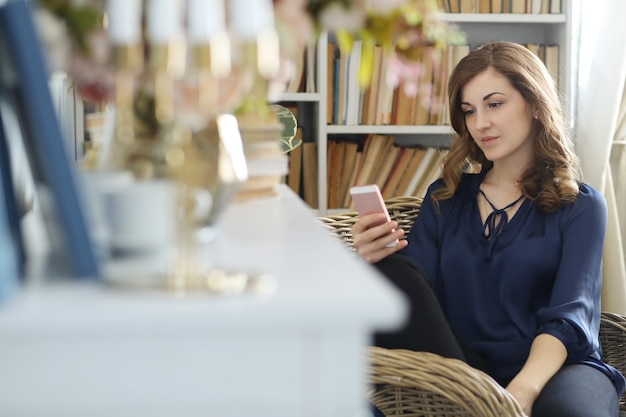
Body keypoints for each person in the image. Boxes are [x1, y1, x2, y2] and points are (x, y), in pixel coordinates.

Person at [352, 41, 626, 417]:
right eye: (469, 111)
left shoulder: (581, 206)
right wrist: (372, 258)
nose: (480, 123)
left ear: (532, 103)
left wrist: (521, 393)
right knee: (393, 270)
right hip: (461, 367)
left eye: (494, 104)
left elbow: (569, 317)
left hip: (556, 368)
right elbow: (416, 303)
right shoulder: (445, 198)